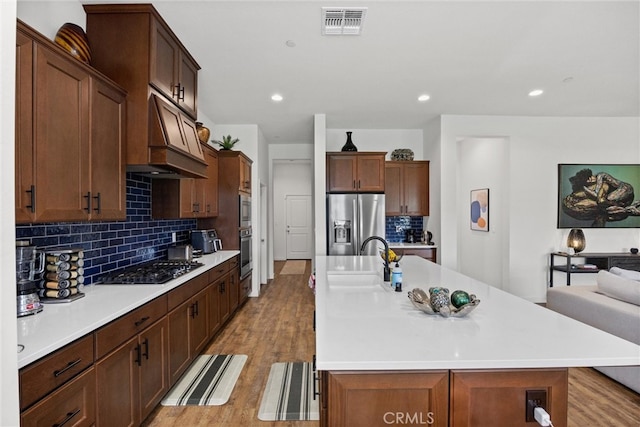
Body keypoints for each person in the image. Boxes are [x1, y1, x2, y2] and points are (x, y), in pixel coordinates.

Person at [562, 168, 640, 226]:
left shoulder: (601, 179)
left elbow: (600, 199)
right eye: (588, 180)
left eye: (590, 177)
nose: (592, 178)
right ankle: (630, 209)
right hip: (622, 199)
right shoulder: (587, 192)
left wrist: (589, 191)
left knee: (606, 205)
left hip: (624, 190)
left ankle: (630, 210)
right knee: (606, 213)